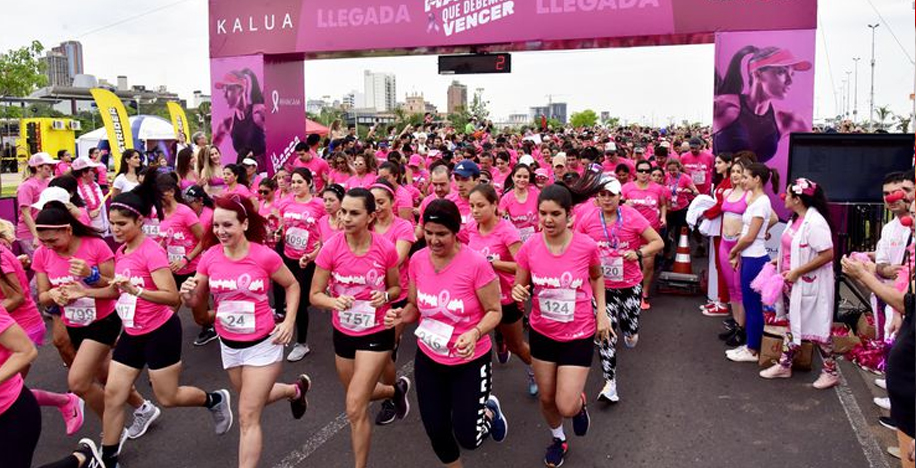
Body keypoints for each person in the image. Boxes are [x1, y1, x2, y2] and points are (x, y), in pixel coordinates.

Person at [65, 175, 234, 467]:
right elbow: (117, 289)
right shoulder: (122, 251)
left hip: (160, 330)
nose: (115, 229)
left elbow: (172, 298)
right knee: (115, 396)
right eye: (113, 223)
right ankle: (109, 458)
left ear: (140, 221)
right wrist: (85, 289)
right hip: (133, 332)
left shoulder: (151, 251)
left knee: (168, 397)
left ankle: (215, 400)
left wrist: (139, 291)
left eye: (122, 224)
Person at [179, 194, 311, 468]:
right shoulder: (210, 257)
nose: (220, 231)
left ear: (244, 224)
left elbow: (293, 285)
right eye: (216, 226)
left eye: (227, 225)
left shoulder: (263, 255)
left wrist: (288, 322)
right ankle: (293, 391)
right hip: (229, 344)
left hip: (263, 344)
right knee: (255, 399)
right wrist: (188, 295)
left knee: (247, 415)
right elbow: (196, 300)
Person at [384, 198, 508, 467]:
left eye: (442, 234)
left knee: (468, 438)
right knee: (437, 431)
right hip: (430, 357)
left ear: (455, 232)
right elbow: (414, 307)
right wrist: (399, 316)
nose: (434, 240)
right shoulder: (417, 260)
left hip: (469, 360)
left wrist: (475, 333)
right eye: (428, 233)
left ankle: (489, 413)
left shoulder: (476, 264)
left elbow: (495, 311)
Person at [32, 201, 159, 439]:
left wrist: (89, 278)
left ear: (68, 230)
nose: (49, 247)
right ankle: (144, 408)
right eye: (44, 242)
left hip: (103, 322)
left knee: (78, 382)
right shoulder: (42, 254)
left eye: (54, 240)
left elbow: (114, 290)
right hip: (74, 325)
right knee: (105, 376)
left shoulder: (95, 246)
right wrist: (54, 295)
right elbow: (43, 297)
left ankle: (113, 429)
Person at [309, 188, 411, 468]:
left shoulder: (384, 248)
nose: (346, 218)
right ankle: (395, 391)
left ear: (370, 216)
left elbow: (395, 287)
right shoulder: (331, 247)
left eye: (354, 213)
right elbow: (314, 294)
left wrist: (386, 297)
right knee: (361, 393)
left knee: (355, 406)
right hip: (343, 332)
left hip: (376, 332)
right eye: (343, 211)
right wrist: (333, 301)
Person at [512, 184, 611, 468]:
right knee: (546, 399)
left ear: (569, 215)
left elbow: (597, 277)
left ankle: (577, 405)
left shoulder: (585, 246)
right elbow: (520, 284)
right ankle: (558, 439)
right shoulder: (530, 246)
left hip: (578, 333)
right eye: (542, 213)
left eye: (555, 213)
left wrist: (601, 313)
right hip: (543, 332)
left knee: (565, 404)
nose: (548, 219)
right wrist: (519, 293)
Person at [578, 176, 663, 404]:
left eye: (611, 195)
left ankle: (630, 331)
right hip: (602, 287)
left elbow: (658, 242)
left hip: (630, 284)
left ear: (619, 197)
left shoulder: (632, 216)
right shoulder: (587, 219)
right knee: (606, 333)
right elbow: (575, 243)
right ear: (597, 197)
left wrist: (638, 253)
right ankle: (610, 384)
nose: (606, 199)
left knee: (631, 332)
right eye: (602, 194)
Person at [842, 211, 915, 468]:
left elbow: (905, 300)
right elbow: (907, 301)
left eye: (915, 215)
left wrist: (862, 274)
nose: (909, 222)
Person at [0, 241, 84, 436]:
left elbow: (16, 297)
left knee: (11, 391)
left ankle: (67, 402)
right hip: (12, 329)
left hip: (22, 327)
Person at [759, 178, 837, 388]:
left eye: (788, 195)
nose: (784, 198)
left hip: (810, 283)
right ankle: (785, 364)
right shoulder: (796, 218)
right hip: (792, 280)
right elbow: (793, 247)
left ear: (798, 199)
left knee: (819, 328)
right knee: (794, 323)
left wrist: (797, 271)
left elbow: (827, 254)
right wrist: (781, 262)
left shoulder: (815, 222)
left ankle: (831, 371)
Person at [468, 184, 537, 396]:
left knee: (515, 345)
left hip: (505, 296)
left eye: (480, 205)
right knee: (470, 341)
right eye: (471, 206)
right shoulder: (471, 227)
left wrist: (492, 264)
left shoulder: (506, 230)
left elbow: (522, 265)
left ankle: (535, 369)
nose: (475, 210)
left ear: (495, 205)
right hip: (477, 295)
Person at [368, 180, 417, 424]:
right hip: (369, 296)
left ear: (392, 203)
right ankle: (393, 388)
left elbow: (396, 259)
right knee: (381, 349)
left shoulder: (403, 227)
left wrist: (362, 265)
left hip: (397, 296)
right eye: (373, 202)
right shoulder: (366, 226)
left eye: (381, 202)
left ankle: (390, 397)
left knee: (384, 351)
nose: (376, 207)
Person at [713, 46, 811, 163]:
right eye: (781, 72)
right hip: (722, 181)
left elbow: (816, 155)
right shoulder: (724, 107)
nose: (790, 80)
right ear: (757, 75)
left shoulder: (786, 120)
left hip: (757, 181)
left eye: (792, 74)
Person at [726, 163, 779, 363]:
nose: (742, 180)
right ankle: (750, 345)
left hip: (755, 259)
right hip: (749, 256)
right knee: (750, 304)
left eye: (746, 176)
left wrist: (734, 250)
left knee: (753, 305)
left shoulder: (761, 203)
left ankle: (753, 349)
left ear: (757, 179)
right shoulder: (755, 199)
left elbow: (750, 237)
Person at [277, 168, 325, 362]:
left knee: (299, 303)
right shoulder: (285, 203)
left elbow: (327, 229)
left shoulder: (319, 205)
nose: (295, 185)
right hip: (288, 256)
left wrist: (317, 250)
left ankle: (301, 343)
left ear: (309, 183)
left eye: (300, 182)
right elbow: (283, 228)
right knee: (292, 301)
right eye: (293, 182)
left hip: (308, 260)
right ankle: (295, 336)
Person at [873, 171, 916, 340]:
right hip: (893, 302)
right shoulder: (888, 229)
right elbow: (880, 264)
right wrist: (887, 270)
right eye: (886, 194)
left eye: (899, 192)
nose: (892, 198)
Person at [621, 160, 668, 309]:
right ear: (635, 172)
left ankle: (644, 293)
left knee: (648, 264)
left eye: (647, 171)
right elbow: (617, 204)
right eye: (641, 170)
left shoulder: (658, 189)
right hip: (630, 232)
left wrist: (663, 217)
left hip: (650, 232)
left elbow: (663, 204)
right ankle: (628, 290)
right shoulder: (627, 188)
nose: (644, 173)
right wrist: (623, 204)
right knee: (629, 262)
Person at [716, 160, 750, 346]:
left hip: (739, 247)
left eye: (740, 172)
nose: (735, 175)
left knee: (739, 288)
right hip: (724, 244)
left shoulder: (750, 196)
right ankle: (736, 326)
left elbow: (772, 218)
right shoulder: (728, 193)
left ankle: (742, 330)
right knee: (731, 288)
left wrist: (754, 232)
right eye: (734, 171)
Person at [699, 153, 735, 317]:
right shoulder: (722, 181)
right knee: (719, 265)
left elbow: (722, 205)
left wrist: (705, 213)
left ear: (729, 164)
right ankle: (721, 299)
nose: (716, 166)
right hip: (718, 227)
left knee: (723, 266)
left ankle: (723, 302)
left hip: (725, 228)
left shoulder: (730, 183)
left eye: (719, 162)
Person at [212, 69, 267, 169]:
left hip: (263, 176)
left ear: (241, 89)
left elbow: (278, 138)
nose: (224, 96)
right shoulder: (227, 124)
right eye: (223, 91)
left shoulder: (258, 113)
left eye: (228, 90)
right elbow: (211, 150)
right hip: (241, 176)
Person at [17, 153, 59, 255]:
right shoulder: (27, 186)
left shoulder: (49, 182)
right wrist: (36, 235)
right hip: (29, 233)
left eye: (52, 166)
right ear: (38, 167)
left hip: (45, 230)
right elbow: (26, 213)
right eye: (48, 166)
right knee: (41, 265)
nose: (51, 169)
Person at [663, 158, 699, 261]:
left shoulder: (685, 178)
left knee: (681, 233)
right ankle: (667, 253)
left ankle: (681, 254)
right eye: (670, 170)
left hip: (681, 209)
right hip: (669, 209)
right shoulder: (666, 177)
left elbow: (696, 191)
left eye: (674, 170)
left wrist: (690, 191)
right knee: (665, 232)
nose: (672, 172)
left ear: (679, 168)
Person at [499, 164, 540, 243]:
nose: (522, 179)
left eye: (525, 177)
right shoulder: (506, 199)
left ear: (529, 179)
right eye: (518, 176)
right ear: (513, 177)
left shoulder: (537, 194)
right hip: (517, 241)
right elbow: (501, 221)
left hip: (536, 239)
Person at [72, 156, 108, 234]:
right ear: (84, 173)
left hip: (102, 228)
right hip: (88, 231)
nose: (95, 172)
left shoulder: (96, 185)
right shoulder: (75, 189)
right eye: (92, 170)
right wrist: (88, 215)